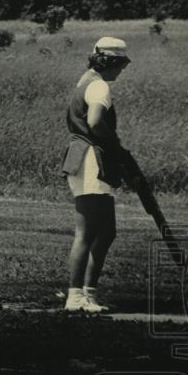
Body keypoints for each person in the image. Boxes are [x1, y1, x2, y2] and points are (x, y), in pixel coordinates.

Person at [59, 36, 132, 312]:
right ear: (111, 62)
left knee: (107, 231)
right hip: (91, 161)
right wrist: (117, 147)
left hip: (86, 159)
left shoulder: (86, 80)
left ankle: (88, 294)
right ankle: (76, 296)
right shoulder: (99, 85)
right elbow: (95, 122)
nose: (122, 70)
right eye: (121, 64)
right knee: (87, 233)